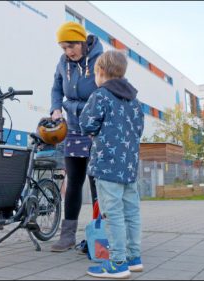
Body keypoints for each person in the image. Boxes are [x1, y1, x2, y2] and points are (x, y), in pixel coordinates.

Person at [79, 50, 144, 279]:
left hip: (107, 165)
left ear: (101, 72)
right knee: (132, 211)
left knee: (112, 213)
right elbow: (138, 131)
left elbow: (86, 124)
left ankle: (117, 263)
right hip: (129, 166)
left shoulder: (101, 95)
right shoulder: (135, 101)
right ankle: (134, 258)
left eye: (95, 73)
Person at [49, 21, 103, 252]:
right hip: (72, 128)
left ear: (81, 42)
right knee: (74, 181)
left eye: (71, 46)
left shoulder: (100, 60)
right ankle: (67, 236)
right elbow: (56, 88)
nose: (68, 52)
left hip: (96, 129)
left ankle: (100, 236)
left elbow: (106, 90)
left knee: (96, 183)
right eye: (63, 48)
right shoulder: (63, 63)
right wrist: (56, 108)